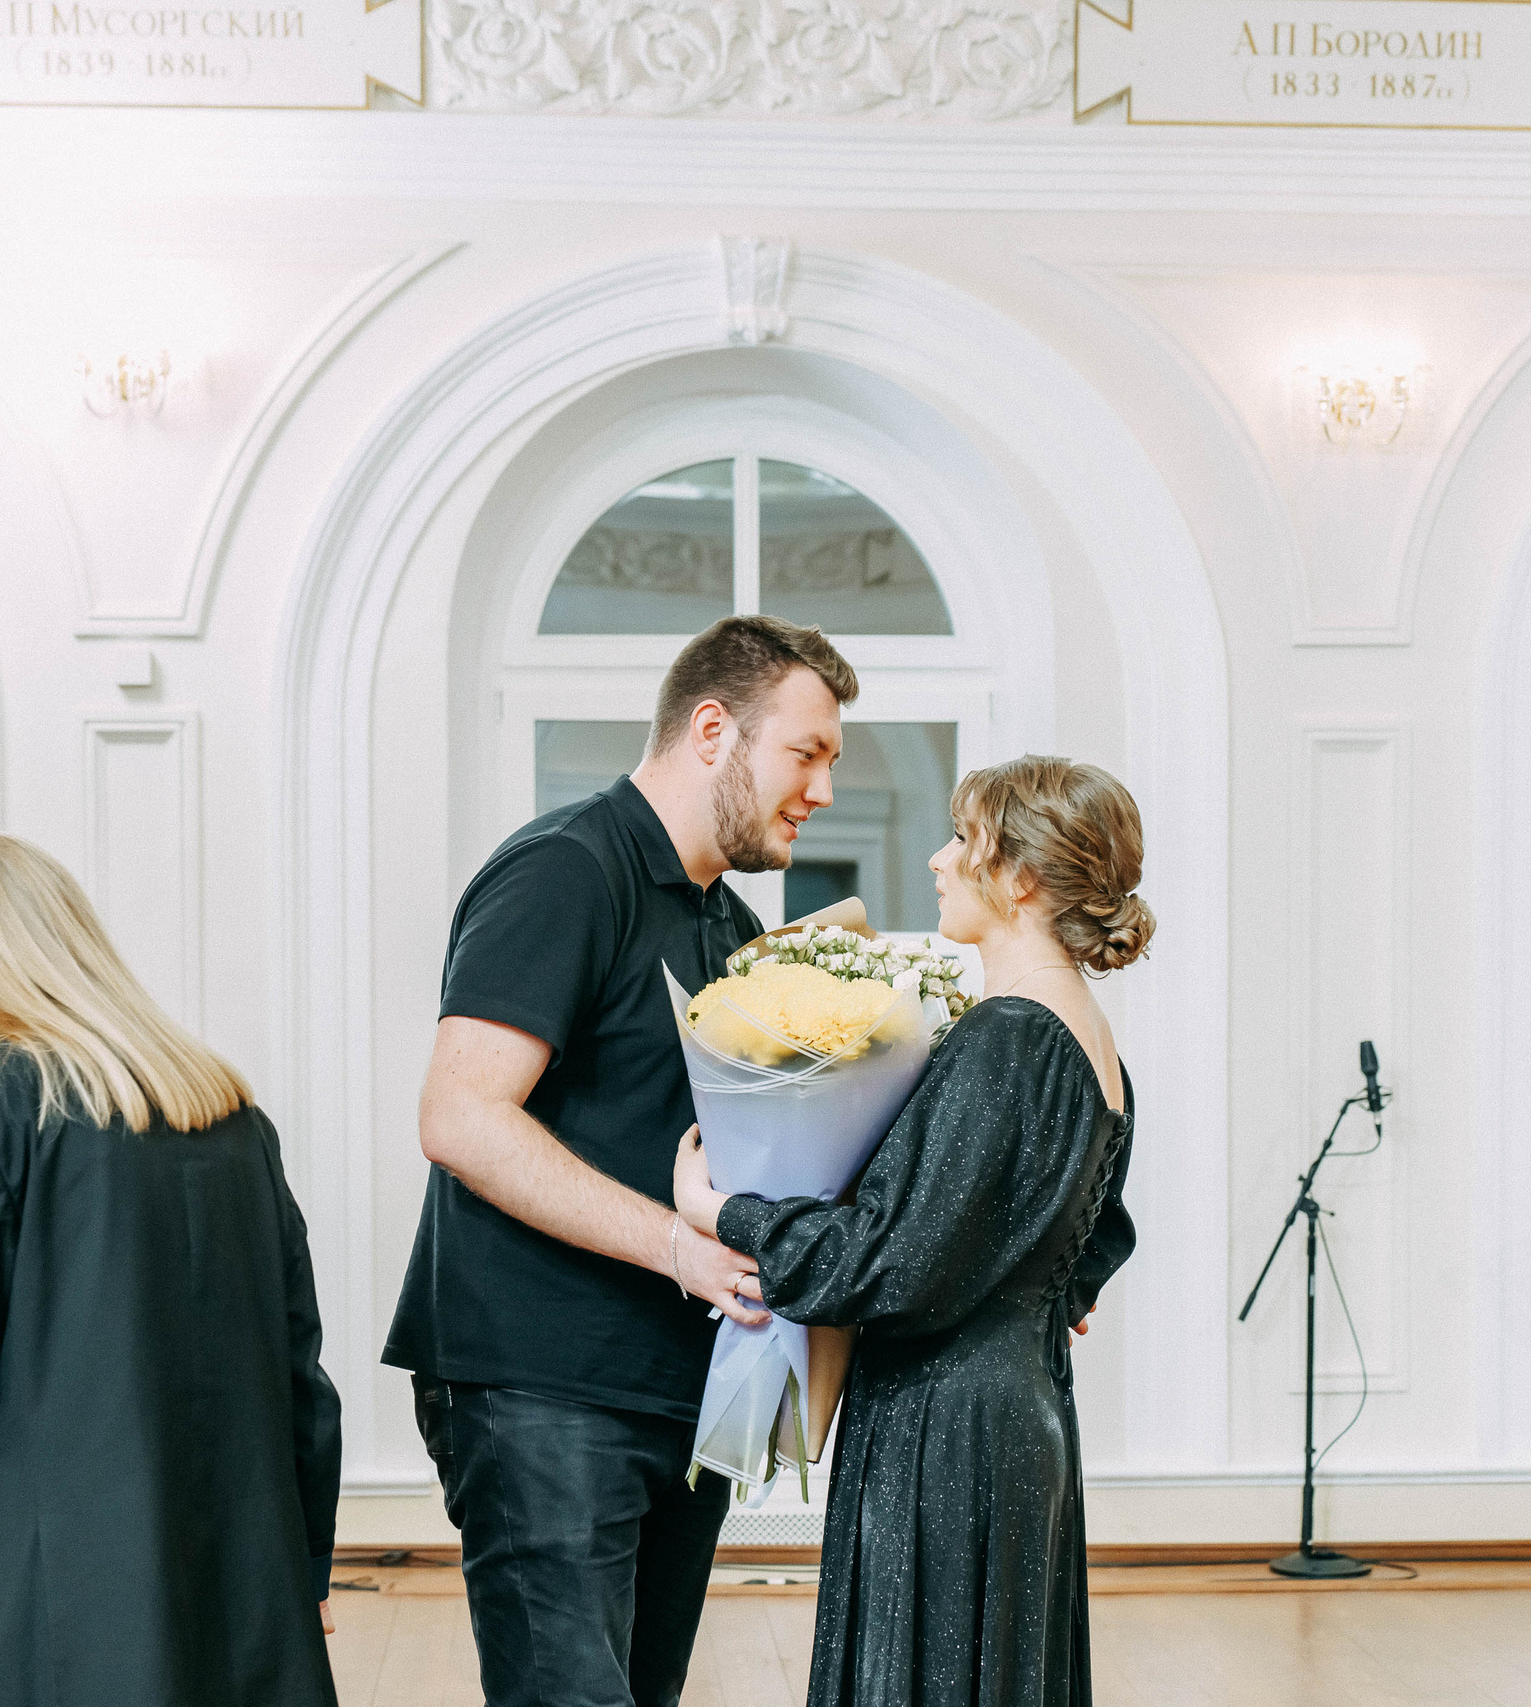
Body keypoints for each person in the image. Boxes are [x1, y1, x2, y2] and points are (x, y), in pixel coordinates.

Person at [386, 614, 856, 1707]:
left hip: (674, 1391)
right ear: (711, 730)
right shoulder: (565, 870)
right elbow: (460, 1117)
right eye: (807, 754)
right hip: (539, 1385)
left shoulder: (727, 923)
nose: (822, 789)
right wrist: (675, 1250)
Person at [0, 834, 341, 1707]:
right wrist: (303, 1560)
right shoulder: (231, 1112)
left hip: (59, 1612)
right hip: (245, 1595)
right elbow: (300, 1372)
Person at [674, 754, 1146, 1707]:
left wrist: (721, 1211)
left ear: (1019, 876)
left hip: (947, 1421)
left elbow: (890, 1265)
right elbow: (1098, 1235)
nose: (938, 859)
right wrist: (1033, 1289)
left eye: (963, 840)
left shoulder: (1008, 1033)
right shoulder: (1094, 1041)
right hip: (1022, 1407)